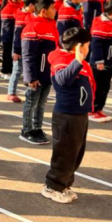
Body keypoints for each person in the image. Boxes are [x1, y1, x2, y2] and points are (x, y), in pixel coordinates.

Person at [43, 27, 94, 204]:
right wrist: (77, 61)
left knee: (75, 153)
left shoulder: (79, 63)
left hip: (80, 114)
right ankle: (52, 186)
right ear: (79, 47)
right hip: (67, 116)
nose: (88, 49)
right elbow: (62, 80)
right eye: (87, 45)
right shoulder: (61, 60)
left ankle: (64, 184)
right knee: (64, 153)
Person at [21, 0, 58, 145]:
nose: (55, 11)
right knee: (31, 102)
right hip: (36, 75)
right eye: (52, 8)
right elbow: (28, 54)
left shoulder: (51, 26)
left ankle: (37, 128)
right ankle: (26, 130)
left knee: (41, 103)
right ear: (43, 11)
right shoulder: (32, 27)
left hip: (47, 74)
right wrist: (30, 77)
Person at [88, 0, 112, 123]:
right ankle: (91, 110)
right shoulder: (101, 24)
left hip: (110, 62)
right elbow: (96, 45)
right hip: (100, 64)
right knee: (97, 87)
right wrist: (99, 61)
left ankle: (99, 109)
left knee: (105, 87)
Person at [8, 0, 36, 103]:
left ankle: (31, 92)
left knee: (27, 70)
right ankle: (11, 92)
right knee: (17, 70)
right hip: (19, 48)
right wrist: (16, 50)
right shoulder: (21, 17)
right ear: (31, 5)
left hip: (26, 47)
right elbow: (17, 35)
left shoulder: (29, 15)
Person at [0, 0, 23, 78]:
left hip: (15, 35)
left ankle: (12, 71)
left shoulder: (21, 5)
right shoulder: (8, 9)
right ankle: (5, 71)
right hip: (8, 36)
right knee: (7, 54)